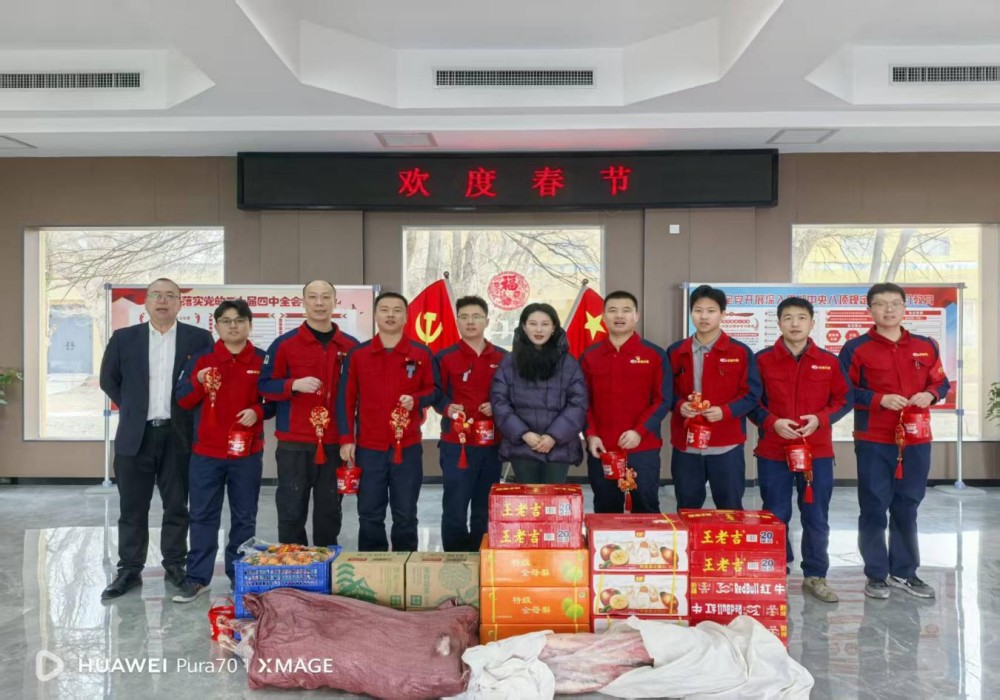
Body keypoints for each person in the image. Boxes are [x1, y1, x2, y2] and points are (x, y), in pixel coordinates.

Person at [98, 278, 214, 600]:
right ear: (146, 302)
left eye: (170, 295)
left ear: (180, 303)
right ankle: (130, 569)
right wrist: (134, 408)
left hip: (180, 436)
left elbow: (206, 384)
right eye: (156, 295)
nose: (163, 300)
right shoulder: (124, 338)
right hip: (135, 435)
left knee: (177, 505)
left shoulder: (199, 339)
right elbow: (108, 379)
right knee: (132, 507)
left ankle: (175, 564)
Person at [839, 282, 950, 600]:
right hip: (874, 438)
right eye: (880, 303)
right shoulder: (856, 348)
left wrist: (931, 394)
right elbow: (844, 391)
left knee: (908, 504)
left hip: (916, 438)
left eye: (895, 303)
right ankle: (876, 574)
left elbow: (941, 382)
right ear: (869, 309)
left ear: (904, 308)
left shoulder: (926, 345)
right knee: (874, 505)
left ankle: (904, 571)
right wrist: (879, 399)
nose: (889, 309)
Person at [750, 297, 851, 603]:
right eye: (788, 318)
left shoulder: (829, 361)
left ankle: (815, 575)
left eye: (801, 317)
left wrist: (820, 419)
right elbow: (750, 401)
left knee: (816, 514)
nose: (795, 323)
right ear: (779, 323)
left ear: (812, 323)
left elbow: (843, 399)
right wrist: (772, 422)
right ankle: (777, 569)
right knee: (775, 513)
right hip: (774, 450)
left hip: (815, 452)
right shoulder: (762, 360)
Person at [172, 300, 274, 602]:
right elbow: (183, 400)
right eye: (226, 321)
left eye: (240, 320)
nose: (233, 326)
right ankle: (198, 577)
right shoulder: (202, 359)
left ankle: (240, 575)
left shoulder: (262, 359)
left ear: (249, 325)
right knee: (203, 514)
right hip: (207, 453)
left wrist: (258, 411)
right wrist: (198, 381)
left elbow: (275, 400)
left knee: (244, 516)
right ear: (216, 326)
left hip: (247, 453)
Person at [258, 280, 358, 547]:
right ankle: (295, 563)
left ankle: (325, 564)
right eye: (313, 297)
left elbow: (360, 394)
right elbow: (264, 385)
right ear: (303, 302)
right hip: (295, 444)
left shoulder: (350, 346)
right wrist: (293, 385)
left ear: (335, 302)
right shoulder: (285, 344)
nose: (319, 303)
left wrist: (349, 438)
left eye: (325, 297)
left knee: (330, 512)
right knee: (291, 510)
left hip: (334, 443)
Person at [338, 292, 437, 551]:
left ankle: (405, 567)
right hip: (369, 448)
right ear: (375, 315)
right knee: (370, 514)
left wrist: (416, 400)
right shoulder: (358, 354)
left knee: (406, 514)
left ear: (406, 316)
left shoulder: (421, 353)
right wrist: (347, 438)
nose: (390, 315)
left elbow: (434, 390)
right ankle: (374, 569)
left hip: (408, 448)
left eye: (397, 310)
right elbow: (346, 399)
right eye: (384, 310)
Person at [666, 285, 760, 510]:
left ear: (723, 314)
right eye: (698, 310)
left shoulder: (740, 352)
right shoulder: (675, 352)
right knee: (687, 507)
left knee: (730, 508)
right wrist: (679, 405)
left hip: (726, 445)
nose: (704, 316)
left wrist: (725, 411)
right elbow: (663, 392)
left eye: (711, 311)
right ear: (691, 313)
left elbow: (752, 394)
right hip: (687, 446)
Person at [580, 290, 670, 513]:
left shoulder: (654, 354)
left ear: (636, 316)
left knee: (646, 508)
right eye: (613, 310)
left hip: (643, 448)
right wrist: (590, 434)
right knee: (605, 510)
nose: (619, 316)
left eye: (626, 310)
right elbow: (581, 402)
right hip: (602, 448)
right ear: (603, 316)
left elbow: (663, 399)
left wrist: (639, 431)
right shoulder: (590, 356)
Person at [434, 296, 507, 552]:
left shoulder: (503, 357)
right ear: (457, 322)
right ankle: (454, 561)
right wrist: (447, 407)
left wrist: (497, 406)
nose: (470, 322)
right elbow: (435, 392)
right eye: (464, 317)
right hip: (457, 445)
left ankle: (481, 557)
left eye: (476, 317)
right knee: (454, 507)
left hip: (491, 445)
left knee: (484, 507)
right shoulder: (445, 357)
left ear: (487, 321)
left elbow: (512, 395)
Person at [491, 303, 588, 484]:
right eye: (533, 323)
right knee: (527, 499)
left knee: (553, 499)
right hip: (523, 445)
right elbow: (499, 402)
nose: (539, 329)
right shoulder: (509, 362)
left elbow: (578, 403)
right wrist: (524, 434)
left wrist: (553, 436)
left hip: (558, 446)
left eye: (545, 324)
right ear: (524, 327)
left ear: (554, 328)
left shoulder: (568, 363)